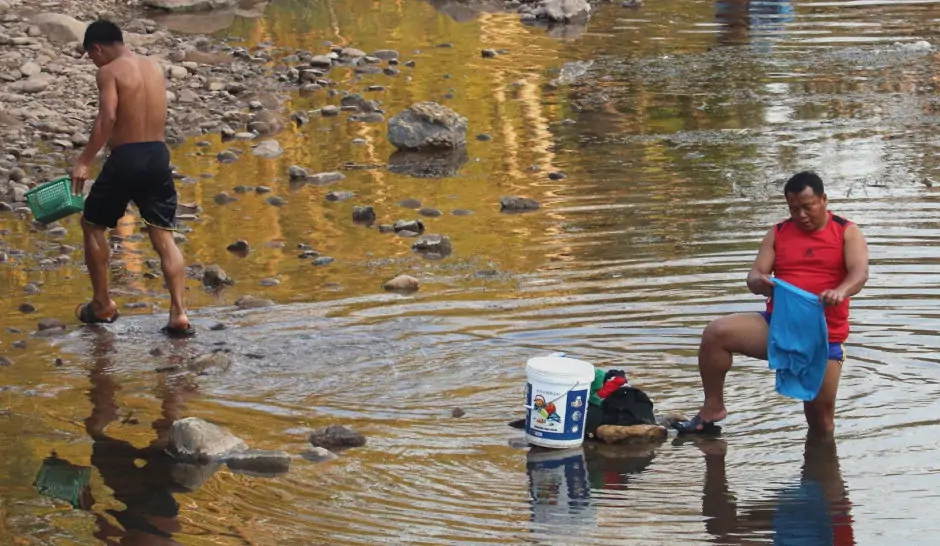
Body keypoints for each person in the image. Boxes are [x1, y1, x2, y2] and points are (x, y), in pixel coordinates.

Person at [676, 171, 869, 435]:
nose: (800, 215)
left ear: (823, 200)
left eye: (807, 207)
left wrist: (840, 291)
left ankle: (819, 473)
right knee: (716, 333)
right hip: (778, 326)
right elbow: (755, 274)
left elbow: (860, 273)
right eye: (793, 208)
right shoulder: (778, 232)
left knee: (821, 424)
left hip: (824, 335)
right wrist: (758, 282)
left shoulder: (846, 231)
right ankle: (713, 407)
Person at [71, 20, 194, 337]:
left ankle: (102, 305)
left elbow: (108, 116)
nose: (93, 62)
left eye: (91, 55)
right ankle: (179, 313)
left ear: (97, 48)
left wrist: (85, 160)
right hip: (158, 155)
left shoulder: (109, 72)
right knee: (163, 235)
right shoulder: (153, 67)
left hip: (126, 157)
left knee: (92, 224)